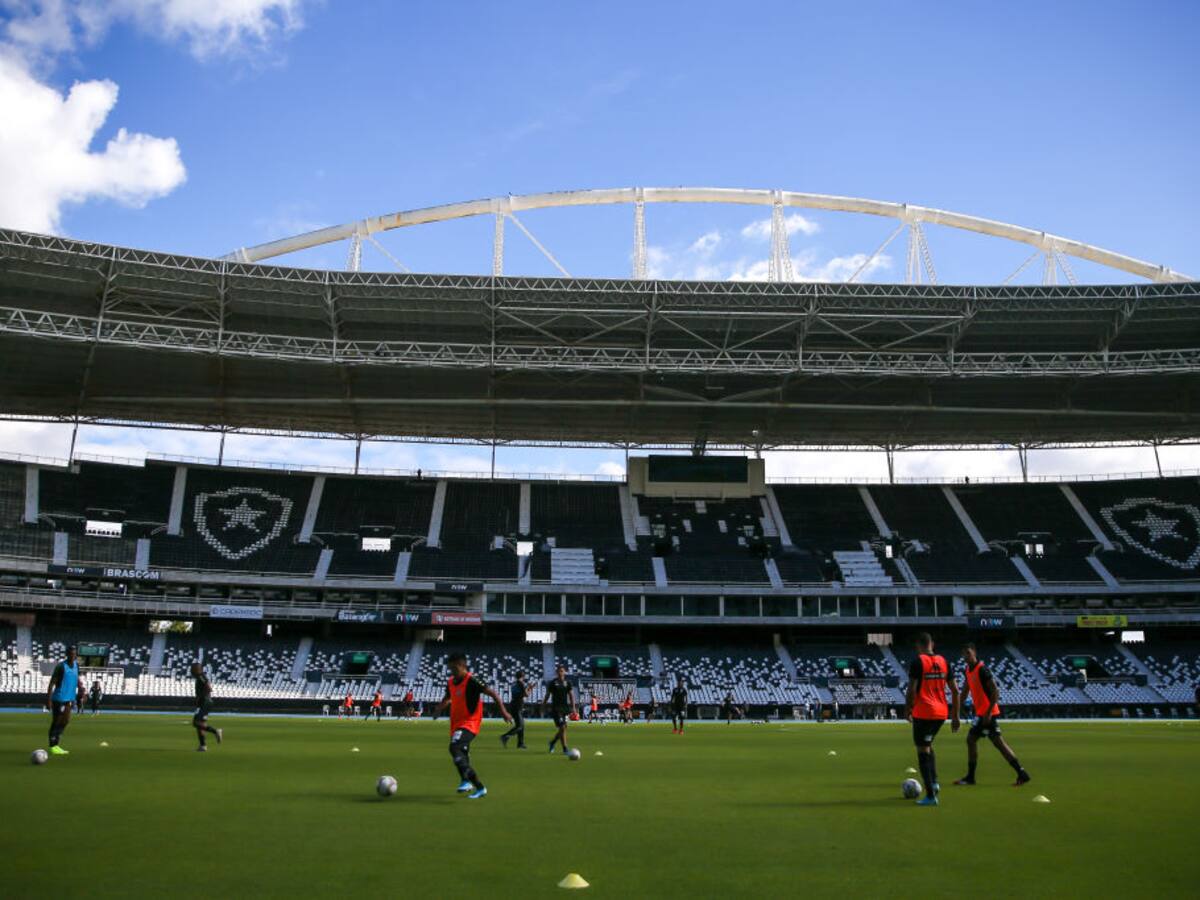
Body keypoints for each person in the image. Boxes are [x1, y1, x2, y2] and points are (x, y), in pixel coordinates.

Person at [433, 652, 510, 800]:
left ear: (463, 666)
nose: (452, 672)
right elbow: (448, 697)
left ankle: (480, 787)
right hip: (456, 723)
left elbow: (493, 694)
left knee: (454, 747)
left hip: (470, 723)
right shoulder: (451, 682)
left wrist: (503, 711)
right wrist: (438, 708)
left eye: (455, 669)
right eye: (450, 669)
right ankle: (465, 781)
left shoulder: (472, 680)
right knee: (462, 753)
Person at [954, 644, 1031, 787]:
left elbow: (995, 691)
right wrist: (958, 707)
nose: (966, 657)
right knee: (994, 743)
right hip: (982, 713)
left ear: (974, 653)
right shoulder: (968, 670)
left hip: (987, 714)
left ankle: (971, 777)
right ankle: (1021, 773)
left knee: (975, 740)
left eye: (968, 653)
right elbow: (965, 690)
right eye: (964, 654)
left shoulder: (982, 670)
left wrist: (988, 712)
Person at [905, 633, 959, 806]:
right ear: (932, 644)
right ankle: (934, 782)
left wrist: (908, 709)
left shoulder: (917, 661)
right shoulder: (944, 661)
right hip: (941, 713)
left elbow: (912, 689)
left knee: (922, 751)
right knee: (928, 746)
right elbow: (956, 691)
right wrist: (956, 716)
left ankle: (930, 795)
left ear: (918, 646)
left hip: (924, 712)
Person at [45, 644, 81, 755]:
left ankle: (56, 742)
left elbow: (76, 679)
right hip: (59, 698)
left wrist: (81, 691)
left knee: (66, 721)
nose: (72, 656)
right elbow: (52, 684)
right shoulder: (61, 666)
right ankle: (53, 745)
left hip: (69, 698)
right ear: (67, 654)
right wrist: (49, 700)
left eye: (74, 654)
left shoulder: (76, 665)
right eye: (70, 654)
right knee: (57, 721)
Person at [541, 664, 578, 755]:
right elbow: (547, 695)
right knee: (562, 727)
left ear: (564, 672)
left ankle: (552, 742)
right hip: (556, 709)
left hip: (565, 708)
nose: (560, 672)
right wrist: (543, 706)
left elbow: (571, 696)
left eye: (562, 671)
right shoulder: (553, 683)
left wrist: (573, 708)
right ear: (557, 672)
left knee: (564, 728)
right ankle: (565, 749)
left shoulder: (568, 683)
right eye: (559, 671)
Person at [190, 662, 223, 752]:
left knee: (195, 723)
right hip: (205, 702)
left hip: (204, 702)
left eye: (192, 669)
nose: (191, 671)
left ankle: (215, 731)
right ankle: (203, 746)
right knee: (201, 724)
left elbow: (209, 688)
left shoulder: (201, 676)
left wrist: (200, 697)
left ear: (197, 669)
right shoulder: (199, 677)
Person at [500, 671, 529, 749]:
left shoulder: (514, 684)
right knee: (519, 726)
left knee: (521, 726)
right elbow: (526, 695)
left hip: (513, 705)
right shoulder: (521, 683)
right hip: (517, 706)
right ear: (523, 676)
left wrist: (528, 689)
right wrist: (530, 688)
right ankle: (505, 736)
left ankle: (520, 744)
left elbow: (521, 694)